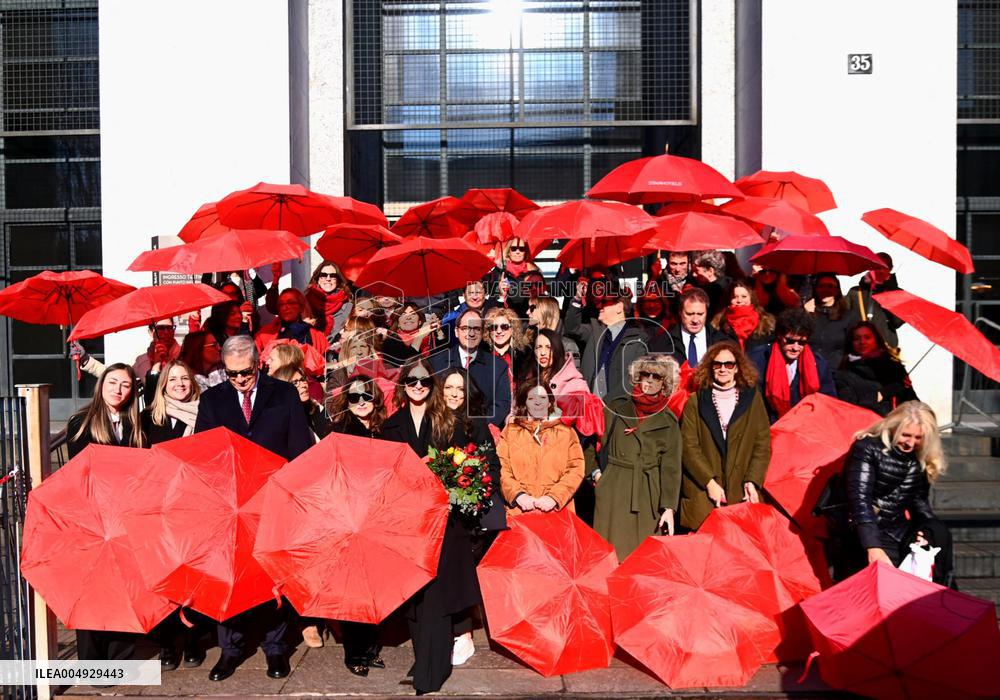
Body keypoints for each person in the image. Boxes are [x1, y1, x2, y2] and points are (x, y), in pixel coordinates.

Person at [194, 335, 313, 682]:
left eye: (245, 372)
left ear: (258, 363)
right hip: (230, 504)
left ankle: (276, 647)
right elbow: (204, 453)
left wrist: (291, 496)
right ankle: (230, 649)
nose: (239, 380)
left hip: (274, 500)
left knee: (275, 575)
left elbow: (299, 450)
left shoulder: (284, 394)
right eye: (231, 374)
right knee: (229, 578)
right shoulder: (213, 400)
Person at [380, 359, 483, 695]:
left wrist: (438, 474)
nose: (419, 386)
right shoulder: (390, 426)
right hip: (407, 524)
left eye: (425, 381)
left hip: (443, 522)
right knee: (414, 599)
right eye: (412, 380)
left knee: (437, 597)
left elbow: (466, 465)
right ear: (403, 384)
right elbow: (385, 477)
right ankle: (422, 658)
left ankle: (432, 670)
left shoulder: (450, 423)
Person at [66, 363, 146, 663]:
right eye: (112, 382)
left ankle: (121, 658)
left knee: (125, 589)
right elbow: (80, 475)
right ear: (101, 385)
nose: (118, 389)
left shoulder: (137, 424)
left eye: (125, 385)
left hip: (128, 518)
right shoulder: (82, 423)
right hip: (95, 518)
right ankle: (91, 660)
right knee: (92, 589)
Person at [139, 361, 208, 670]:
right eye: (173, 379)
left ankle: (192, 639)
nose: (179, 383)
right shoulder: (149, 419)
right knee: (164, 577)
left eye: (185, 378)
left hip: (196, 507)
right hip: (161, 508)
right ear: (163, 385)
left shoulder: (207, 415)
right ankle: (168, 643)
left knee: (193, 578)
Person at [840, 401, 953, 586]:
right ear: (893, 427)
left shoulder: (920, 457)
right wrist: (873, 547)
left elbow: (919, 504)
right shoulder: (867, 447)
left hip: (897, 534)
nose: (910, 443)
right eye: (906, 435)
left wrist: (927, 531)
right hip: (861, 534)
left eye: (919, 438)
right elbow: (860, 501)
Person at [439, 366, 505, 666]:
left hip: (469, 511)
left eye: (460, 389)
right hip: (440, 510)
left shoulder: (476, 424)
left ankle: (463, 634)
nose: (454, 393)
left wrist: (474, 490)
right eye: (449, 387)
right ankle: (454, 627)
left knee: (460, 570)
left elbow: (491, 465)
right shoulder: (433, 421)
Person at [593, 354, 682, 561]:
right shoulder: (616, 407)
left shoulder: (669, 420)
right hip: (613, 492)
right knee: (609, 559)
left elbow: (671, 468)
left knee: (642, 560)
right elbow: (592, 441)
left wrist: (668, 508)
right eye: (645, 374)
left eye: (656, 377)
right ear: (637, 377)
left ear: (665, 383)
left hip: (647, 497)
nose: (649, 380)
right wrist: (597, 474)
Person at [679, 341, 771, 531]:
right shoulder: (696, 401)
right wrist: (709, 482)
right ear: (710, 368)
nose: (723, 369)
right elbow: (688, 447)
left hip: (741, 492)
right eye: (717, 364)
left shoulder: (753, 398)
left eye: (728, 364)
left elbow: (762, 443)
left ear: (737, 368)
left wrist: (753, 480)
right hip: (705, 493)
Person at [498, 382, 585, 515]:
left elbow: (576, 469)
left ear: (550, 402)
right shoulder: (511, 432)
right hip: (519, 512)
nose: (537, 402)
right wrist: (518, 495)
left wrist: (554, 497)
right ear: (524, 402)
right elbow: (501, 467)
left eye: (543, 398)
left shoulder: (566, 432)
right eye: (531, 398)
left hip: (558, 512)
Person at [566, 278, 650, 402]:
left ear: (619, 307)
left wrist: (610, 404)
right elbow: (572, 328)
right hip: (590, 406)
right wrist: (578, 298)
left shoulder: (637, 340)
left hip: (617, 409)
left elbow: (632, 380)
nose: (599, 305)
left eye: (605, 302)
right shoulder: (594, 330)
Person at [748, 307, 837, 422]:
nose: (795, 348)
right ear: (779, 336)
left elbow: (828, 402)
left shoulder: (818, 364)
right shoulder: (758, 359)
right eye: (790, 341)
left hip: (804, 427)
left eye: (802, 342)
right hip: (766, 426)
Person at [430, 308, 511, 428]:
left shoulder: (498, 367)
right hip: (442, 429)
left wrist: (479, 428)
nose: (471, 333)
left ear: (483, 333)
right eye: (465, 328)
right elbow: (431, 400)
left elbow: (501, 404)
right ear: (456, 332)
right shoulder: (436, 362)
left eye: (476, 329)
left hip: (482, 432)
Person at [836, 322, 918, 415]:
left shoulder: (894, 367)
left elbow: (912, 402)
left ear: (876, 340)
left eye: (867, 337)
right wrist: (882, 394)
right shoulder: (843, 374)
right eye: (856, 339)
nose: (862, 342)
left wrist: (905, 388)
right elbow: (849, 406)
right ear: (851, 343)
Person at [649, 288, 728, 366]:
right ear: (680, 312)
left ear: (707, 312)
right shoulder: (660, 344)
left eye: (700, 314)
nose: (695, 320)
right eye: (689, 314)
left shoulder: (723, 342)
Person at [845, 252, 904, 347]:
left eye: (884, 267)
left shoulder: (898, 294)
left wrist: (887, 294)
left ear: (890, 269)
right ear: (870, 267)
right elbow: (843, 318)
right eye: (876, 266)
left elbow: (897, 322)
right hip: (858, 348)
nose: (880, 271)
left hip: (884, 348)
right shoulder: (855, 292)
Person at [255, 288, 329, 355]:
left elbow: (325, 361)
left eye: (291, 303)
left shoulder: (316, 335)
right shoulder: (265, 334)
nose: (285, 307)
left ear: (301, 307)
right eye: (281, 304)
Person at [710, 280, 775, 353]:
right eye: (734, 297)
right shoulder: (718, 323)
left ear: (751, 298)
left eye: (744, 296)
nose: (739, 300)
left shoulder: (766, 323)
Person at [804, 272, 853, 369]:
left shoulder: (848, 316)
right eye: (821, 286)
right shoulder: (806, 312)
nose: (825, 289)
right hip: (809, 368)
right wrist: (805, 314)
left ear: (837, 290)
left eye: (830, 286)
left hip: (835, 370)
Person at [271, 364, 331, 440]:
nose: (303, 385)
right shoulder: (282, 426)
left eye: (303, 379)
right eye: (295, 383)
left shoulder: (317, 409)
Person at [484, 307, 532, 391]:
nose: (499, 331)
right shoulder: (481, 356)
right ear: (489, 331)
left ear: (513, 329)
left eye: (504, 327)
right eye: (494, 327)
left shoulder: (525, 357)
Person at [304, 261, 353, 341]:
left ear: (338, 280)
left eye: (333, 276)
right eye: (323, 275)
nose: (328, 279)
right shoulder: (306, 303)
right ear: (318, 279)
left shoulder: (348, 307)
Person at [381, 302, 441, 367]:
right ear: (398, 323)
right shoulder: (391, 342)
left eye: (413, 314)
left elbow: (443, 357)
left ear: (419, 321)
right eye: (403, 315)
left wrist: (439, 332)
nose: (408, 317)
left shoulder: (431, 337)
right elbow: (409, 366)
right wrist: (420, 337)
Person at [528, 296, 580, 369]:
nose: (527, 312)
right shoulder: (530, 339)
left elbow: (574, 376)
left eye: (532, 309)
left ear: (545, 310)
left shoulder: (567, 344)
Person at [691, 250, 727, 315]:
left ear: (710, 271)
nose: (694, 274)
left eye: (697, 271)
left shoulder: (720, 292)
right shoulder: (727, 286)